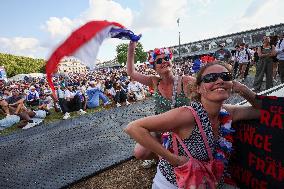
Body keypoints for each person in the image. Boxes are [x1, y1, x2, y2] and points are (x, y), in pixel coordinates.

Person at [125, 62, 261, 189]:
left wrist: (243, 89)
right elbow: (133, 127)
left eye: (225, 76)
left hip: (205, 181)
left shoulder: (227, 112)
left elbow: (263, 110)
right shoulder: (187, 115)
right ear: (198, 88)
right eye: (210, 78)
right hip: (174, 184)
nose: (219, 80)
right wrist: (175, 159)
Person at [127, 41, 196, 167]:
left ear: (171, 61)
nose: (163, 61)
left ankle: (169, 157)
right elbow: (131, 73)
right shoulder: (154, 81)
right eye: (159, 61)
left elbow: (206, 89)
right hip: (161, 129)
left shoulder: (186, 81)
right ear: (154, 67)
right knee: (140, 152)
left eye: (166, 58)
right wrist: (131, 48)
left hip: (183, 129)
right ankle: (161, 159)